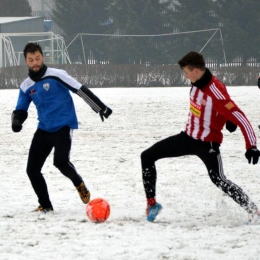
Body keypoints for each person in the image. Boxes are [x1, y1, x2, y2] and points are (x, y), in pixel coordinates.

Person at [141, 51, 260, 223]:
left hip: (207, 144)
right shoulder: (197, 83)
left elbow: (240, 116)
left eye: (186, 72)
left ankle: (253, 211)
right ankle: (152, 205)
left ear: (196, 71)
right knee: (147, 156)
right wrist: (226, 118)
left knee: (219, 179)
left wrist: (251, 146)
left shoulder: (215, 90)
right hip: (187, 138)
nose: (185, 76)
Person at [12, 42, 112, 213]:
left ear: (42, 57)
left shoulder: (57, 75)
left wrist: (99, 107)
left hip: (64, 125)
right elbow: (21, 108)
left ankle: (78, 183)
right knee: (32, 169)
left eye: (37, 58)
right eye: (31, 60)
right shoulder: (26, 86)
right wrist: (17, 121)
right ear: (26, 61)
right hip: (44, 128)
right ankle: (46, 205)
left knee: (60, 161)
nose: (35, 63)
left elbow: (79, 89)